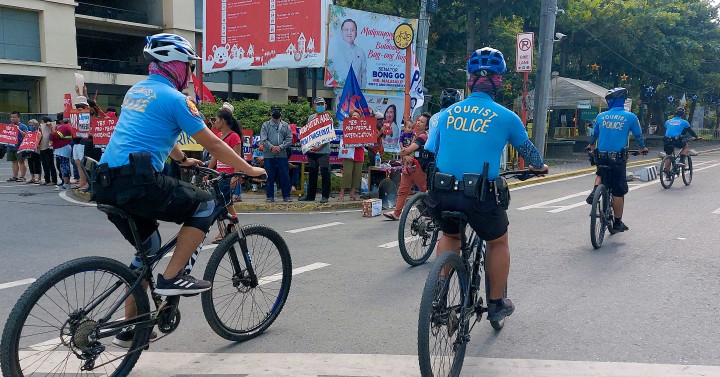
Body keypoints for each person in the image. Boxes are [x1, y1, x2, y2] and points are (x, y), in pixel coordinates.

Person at [92, 33, 265, 347]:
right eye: (189, 66)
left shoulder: (137, 92)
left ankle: (130, 327)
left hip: (105, 183)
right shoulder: (176, 99)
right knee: (205, 204)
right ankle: (172, 278)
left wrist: (182, 159)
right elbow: (212, 142)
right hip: (138, 181)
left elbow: (156, 132)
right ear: (175, 66)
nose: (191, 74)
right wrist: (249, 169)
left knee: (148, 251)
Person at [424, 47, 548, 322]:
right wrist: (539, 168)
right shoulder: (506, 117)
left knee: (451, 236)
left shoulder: (445, 115)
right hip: (479, 197)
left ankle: (440, 294)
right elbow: (532, 155)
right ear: (499, 81)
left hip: (442, 193)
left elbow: (431, 150)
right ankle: (495, 303)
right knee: (498, 240)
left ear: (470, 81)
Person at [584, 87, 648, 233]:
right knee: (618, 191)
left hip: (601, 155)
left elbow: (594, 135)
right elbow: (638, 136)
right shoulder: (630, 117)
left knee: (600, 172)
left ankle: (595, 191)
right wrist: (642, 148)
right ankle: (618, 223)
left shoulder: (601, 116)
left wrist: (591, 145)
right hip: (618, 158)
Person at [384, 112, 432, 220]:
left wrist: (403, 153)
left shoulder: (423, 136)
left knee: (425, 191)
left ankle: (430, 212)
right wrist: (405, 156)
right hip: (409, 168)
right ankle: (397, 213)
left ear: (427, 126)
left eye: (422, 122)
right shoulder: (413, 136)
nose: (418, 123)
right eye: (418, 120)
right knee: (402, 191)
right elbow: (404, 152)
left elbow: (407, 150)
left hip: (419, 169)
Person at [208, 108, 243, 242]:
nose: (215, 123)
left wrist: (235, 175)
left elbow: (237, 157)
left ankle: (223, 232)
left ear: (223, 121)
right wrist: (209, 171)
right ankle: (234, 227)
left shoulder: (233, 136)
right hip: (218, 175)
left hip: (228, 176)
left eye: (216, 120)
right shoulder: (218, 137)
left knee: (219, 204)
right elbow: (214, 156)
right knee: (227, 203)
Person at [299, 98, 332, 203]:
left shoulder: (328, 118)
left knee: (325, 174)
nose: (320, 106)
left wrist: (320, 147)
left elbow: (329, 135)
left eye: (322, 104)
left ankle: (325, 196)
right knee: (312, 174)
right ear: (314, 106)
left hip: (323, 152)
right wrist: (308, 147)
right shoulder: (311, 118)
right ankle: (310, 196)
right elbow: (308, 134)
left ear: (325, 105)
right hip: (312, 151)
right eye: (318, 104)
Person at [260, 104, 293, 202]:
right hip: (269, 154)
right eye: (274, 110)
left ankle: (286, 196)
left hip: (282, 154)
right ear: (270, 113)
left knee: (284, 175)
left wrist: (280, 147)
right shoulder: (265, 125)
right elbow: (263, 139)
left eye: (278, 110)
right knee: (269, 175)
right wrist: (272, 147)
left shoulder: (285, 125)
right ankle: (270, 196)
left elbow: (289, 138)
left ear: (281, 113)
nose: (276, 112)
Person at [338, 109, 365, 201]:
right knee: (347, 173)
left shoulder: (364, 127)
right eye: (354, 115)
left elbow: (368, 138)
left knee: (357, 174)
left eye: (357, 116)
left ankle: (352, 193)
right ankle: (341, 194)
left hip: (359, 153)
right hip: (349, 153)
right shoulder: (347, 127)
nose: (356, 117)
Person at [334, 19, 366, 87]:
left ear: (356, 33)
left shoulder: (360, 52)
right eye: (346, 29)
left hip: (356, 92)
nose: (349, 33)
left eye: (352, 30)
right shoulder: (335, 50)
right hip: (339, 90)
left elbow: (363, 75)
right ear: (341, 32)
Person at [50, 116, 73, 190]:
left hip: (63, 147)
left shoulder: (64, 127)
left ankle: (66, 183)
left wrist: (52, 128)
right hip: (62, 147)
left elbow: (56, 136)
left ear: (60, 121)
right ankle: (65, 182)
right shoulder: (67, 126)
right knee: (62, 165)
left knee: (64, 165)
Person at [6, 111, 28, 182]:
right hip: (11, 146)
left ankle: (22, 176)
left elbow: (26, 136)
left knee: (21, 161)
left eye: (14, 117)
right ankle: (15, 176)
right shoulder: (9, 126)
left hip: (20, 147)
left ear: (19, 118)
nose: (12, 119)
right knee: (14, 161)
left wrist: (18, 129)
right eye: (11, 117)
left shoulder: (22, 126)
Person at [38, 116, 58, 186]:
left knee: (50, 164)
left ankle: (54, 180)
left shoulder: (50, 126)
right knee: (44, 164)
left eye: (42, 121)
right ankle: (47, 179)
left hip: (49, 147)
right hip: (42, 147)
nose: (41, 123)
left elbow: (54, 133)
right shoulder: (40, 128)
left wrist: (50, 125)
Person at [23, 119, 42, 184]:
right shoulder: (28, 133)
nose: (31, 126)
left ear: (36, 125)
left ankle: (39, 178)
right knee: (30, 163)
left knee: (37, 164)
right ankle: (32, 177)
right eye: (30, 125)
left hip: (36, 150)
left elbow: (39, 141)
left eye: (32, 125)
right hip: (29, 150)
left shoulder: (39, 133)